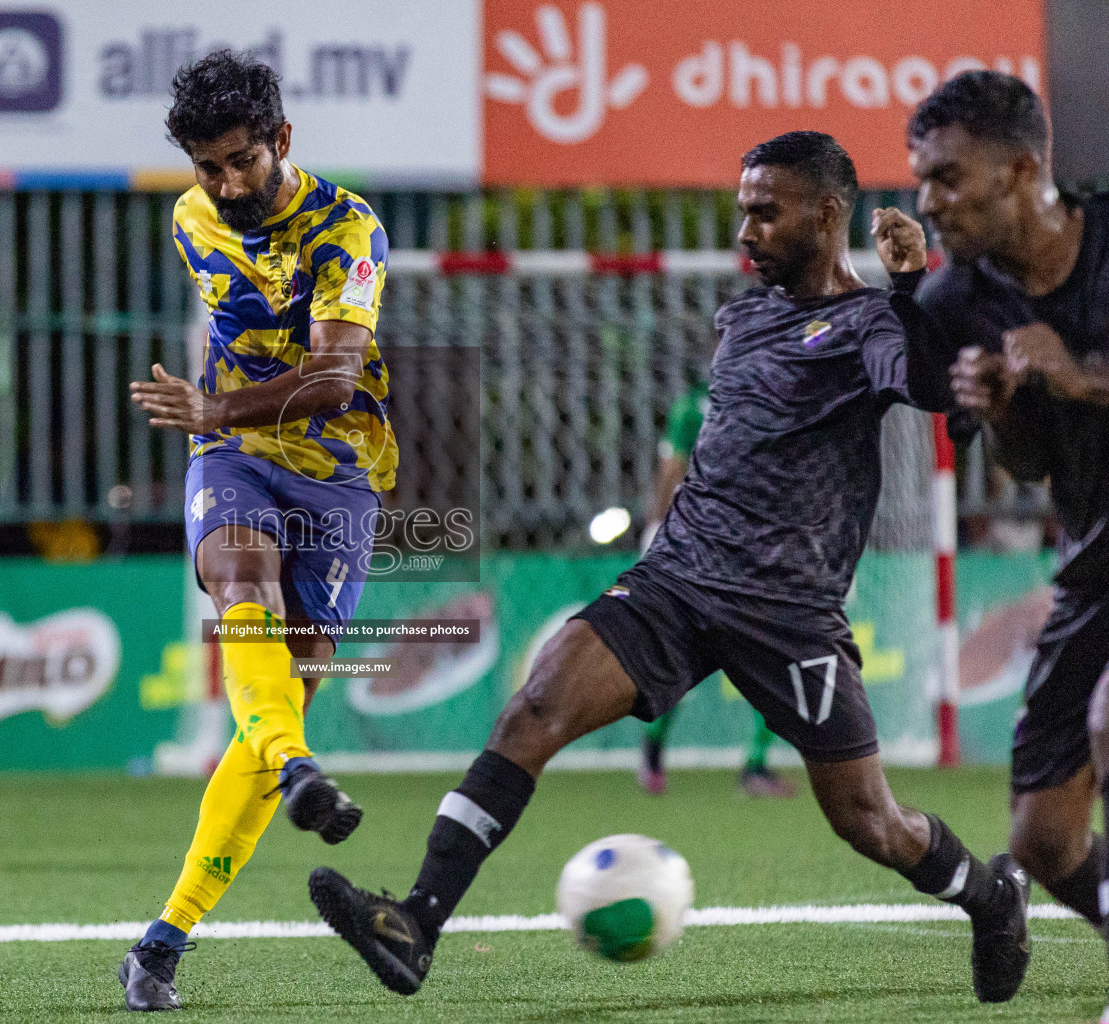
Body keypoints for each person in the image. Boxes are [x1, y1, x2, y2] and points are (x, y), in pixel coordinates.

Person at [309, 131, 1031, 1005]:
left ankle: (991, 900)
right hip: (678, 580)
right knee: (532, 710)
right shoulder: (743, 316)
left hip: (787, 611)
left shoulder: (868, 324)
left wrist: (915, 285)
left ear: (828, 214)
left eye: (766, 212)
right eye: (742, 212)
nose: (746, 230)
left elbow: (925, 385)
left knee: (869, 822)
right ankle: (416, 921)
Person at [119, 50, 394, 1011]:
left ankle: (164, 937)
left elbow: (332, 380)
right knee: (243, 591)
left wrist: (213, 411)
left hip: (338, 471)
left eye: (241, 161)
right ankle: (297, 767)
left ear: (282, 140)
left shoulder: (350, 228)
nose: (226, 186)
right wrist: (219, 426)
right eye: (207, 167)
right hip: (233, 457)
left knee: (285, 684)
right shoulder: (190, 215)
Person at [903, 70, 1109, 1005]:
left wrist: (1084, 375)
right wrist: (1005, 413)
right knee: (1042, 840)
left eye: (947, 178)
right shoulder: (956, 304)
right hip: (1095, 558)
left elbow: (1079, 379)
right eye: (921, 177)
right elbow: (1031, 469)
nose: (926, 200)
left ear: (1022, 169)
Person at [639, 381, 794, 798]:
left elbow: (672, 468)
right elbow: (673, 469)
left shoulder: (705, 404)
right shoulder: (742, 401)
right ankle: (747, 766)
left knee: (701, 653)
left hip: (732, 544)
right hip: (710, 544)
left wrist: (654, 531)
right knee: (765, 652)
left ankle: (751, 764)